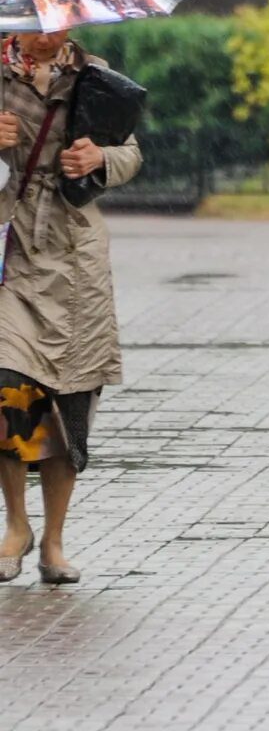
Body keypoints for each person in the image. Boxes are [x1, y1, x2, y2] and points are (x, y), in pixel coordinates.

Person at [0, 30, 142, 584]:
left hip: (75, 251)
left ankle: (53, 541)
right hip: (11, 245)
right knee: (10, 387)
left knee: (68, 400)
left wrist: (100, 156)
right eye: (35, 22)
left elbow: (131, 151)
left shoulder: (95, 76)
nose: (47, 34)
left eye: (58, 23)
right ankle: (16, 524)